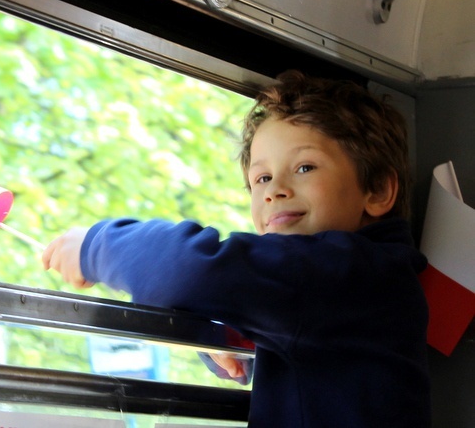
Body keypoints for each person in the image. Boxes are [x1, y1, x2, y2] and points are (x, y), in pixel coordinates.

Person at [42, 70, 431, 427]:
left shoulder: (350, 272)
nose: (274, 190)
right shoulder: (357, 283)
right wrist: (219, 333)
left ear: (378, 190)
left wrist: (95, 247)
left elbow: (195, 270)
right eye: (261, 177)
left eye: (305, 168)